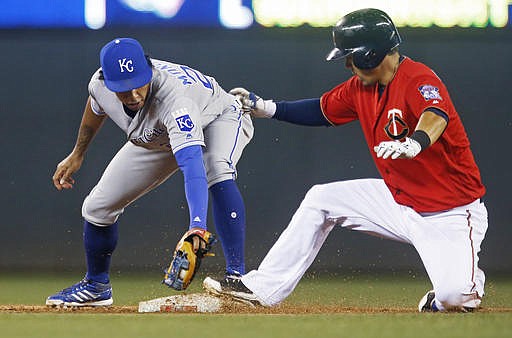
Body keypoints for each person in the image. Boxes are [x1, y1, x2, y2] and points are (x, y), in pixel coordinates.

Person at [203, 8, 488, 313]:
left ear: (371, 53)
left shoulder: (418, 78)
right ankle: (262, 288)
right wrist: (268, 108)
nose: (348, 63)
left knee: (454, 298)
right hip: (399, 201)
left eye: (351, 55)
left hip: (450, 213)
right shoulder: (360, 88)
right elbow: (322, 110)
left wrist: (417, 143)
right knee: (321, 199)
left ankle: (465, 281)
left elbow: (435, 115)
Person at [46, 37, 253, 306]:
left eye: (136, 84)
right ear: (107, 82)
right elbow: (96, 106)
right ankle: (96, 287)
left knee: (215, 167)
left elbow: (191, 163)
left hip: (216, 117)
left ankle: (236, 277)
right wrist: (78, 153)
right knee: (97, 207)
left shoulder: (175, 98)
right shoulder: (99, 85)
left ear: (149, 70)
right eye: (122, 89)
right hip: (156, 137)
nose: (132, 96)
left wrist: (197, 227)